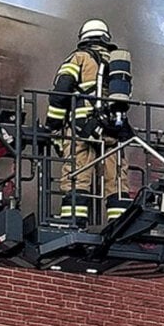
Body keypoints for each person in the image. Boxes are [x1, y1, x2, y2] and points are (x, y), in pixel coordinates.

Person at [45, 18, 133, 226]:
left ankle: (74, 220)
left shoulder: (78, 59)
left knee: (77, 175)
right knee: (117, 180)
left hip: (82, 129)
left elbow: (60, 95)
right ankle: (119, 224)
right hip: (114, 129)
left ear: (83, 38)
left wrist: (53, 126)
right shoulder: (116, 63)